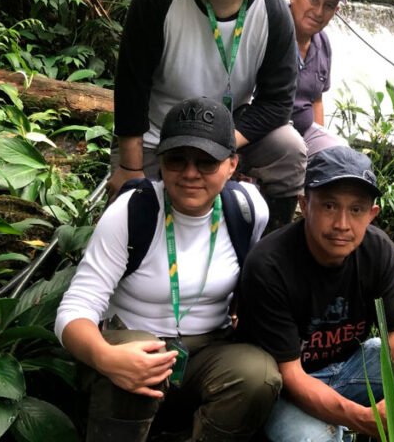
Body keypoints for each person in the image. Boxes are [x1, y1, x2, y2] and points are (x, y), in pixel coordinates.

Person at [56, 97, 281, 441]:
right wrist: (105, 357)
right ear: (160, 162)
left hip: (208, 348)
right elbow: (74, 310)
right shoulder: (133, 212)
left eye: (207, 162)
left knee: (258, 374)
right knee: (147, 354)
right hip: (131, 339)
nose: (190, 173)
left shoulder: (248, 209)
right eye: (177, 159)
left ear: (231, 165)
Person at [109, 0, 305, 233]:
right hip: (159, 136)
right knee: (131, 220)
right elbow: (131, 86)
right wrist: (130, 167)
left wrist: (219, 146)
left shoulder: (273, 9)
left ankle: (272, 250)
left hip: (230, 134)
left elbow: (277, 103)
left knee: (288, 148)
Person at [236, 146, 394, 441]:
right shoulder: (269, 265)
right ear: (304, 203)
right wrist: (363, 418)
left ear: (372, 214)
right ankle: (345, 424)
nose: (342, 225)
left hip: (347, 367)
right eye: (329, 206)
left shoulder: (378, 249)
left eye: (356, 209)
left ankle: (352, 420)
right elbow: (291, 376)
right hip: (288, 385)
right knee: (311, 437)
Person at [288, 0, 349, 157]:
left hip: (304, 134)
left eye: (329, 6)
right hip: (269, 134)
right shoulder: (271, 29)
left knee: (344, 159)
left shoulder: (323, 43)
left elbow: (316, 99)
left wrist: (319, 142)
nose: (319, 12)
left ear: (336, 12)